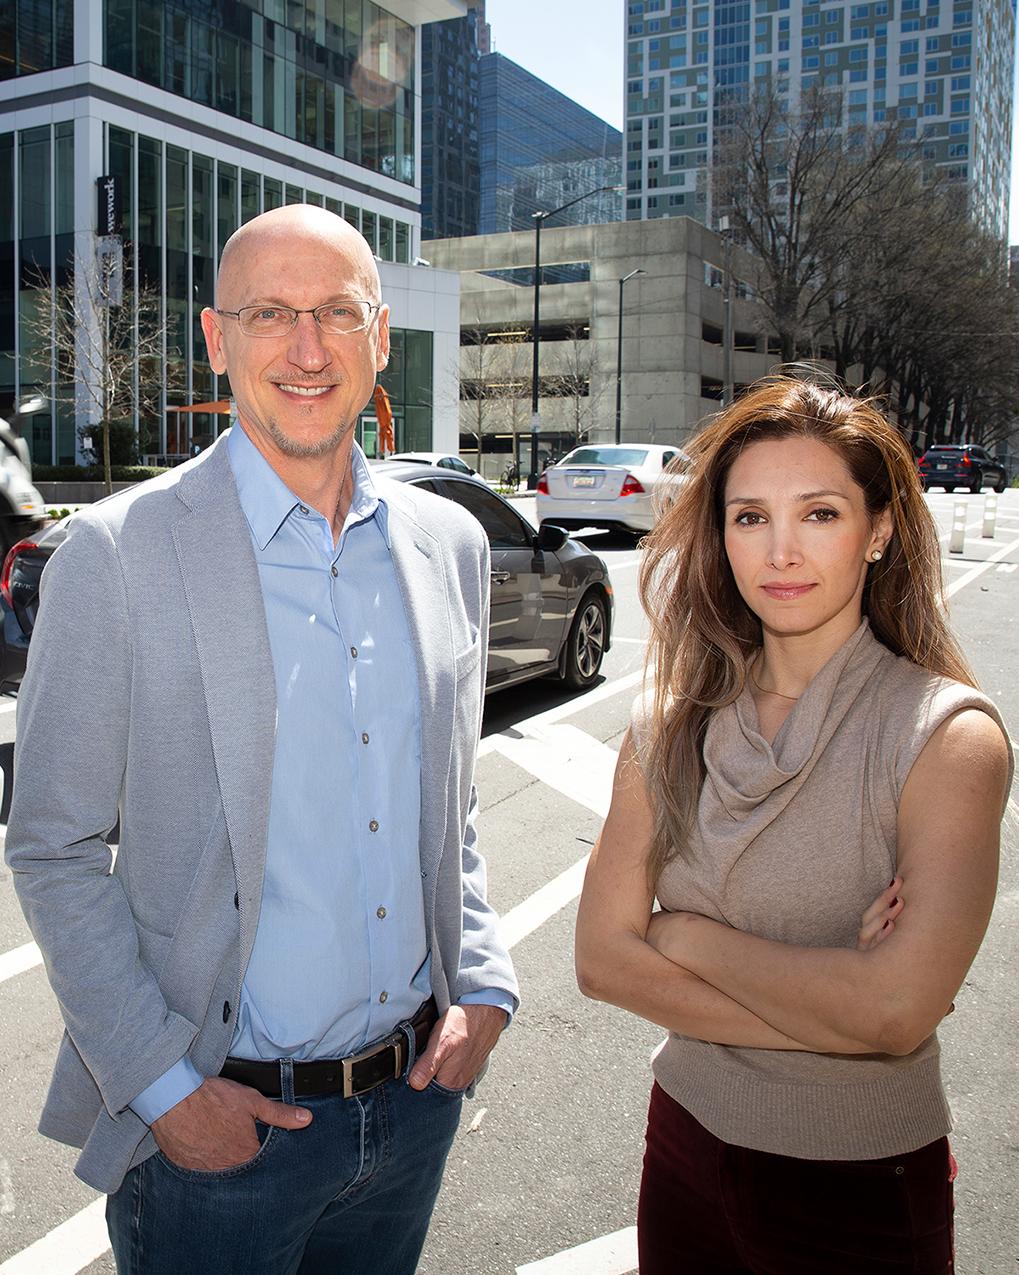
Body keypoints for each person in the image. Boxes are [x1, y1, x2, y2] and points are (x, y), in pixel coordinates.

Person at [6, 205, 518, 1275]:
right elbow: (51, 845)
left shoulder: (448, 547)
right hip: (220, 1141)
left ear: (379, 337)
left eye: (336, 311)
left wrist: (481, 979)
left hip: (414, 1110)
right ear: (215, 337)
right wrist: (164, 1091)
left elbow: (451, 809)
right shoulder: (118, 554)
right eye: (269, 313)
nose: (305, 347)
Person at [575, 376, 1011, 1274]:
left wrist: (683, 933)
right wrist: (841, 1009)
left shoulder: (946, 736)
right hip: (683, 1149)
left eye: (817, 513)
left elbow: (892, 1012)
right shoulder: (668, 721)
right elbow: (599, 960)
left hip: (858, 1183)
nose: (779, 551)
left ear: (878, 530)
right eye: (747, 517)